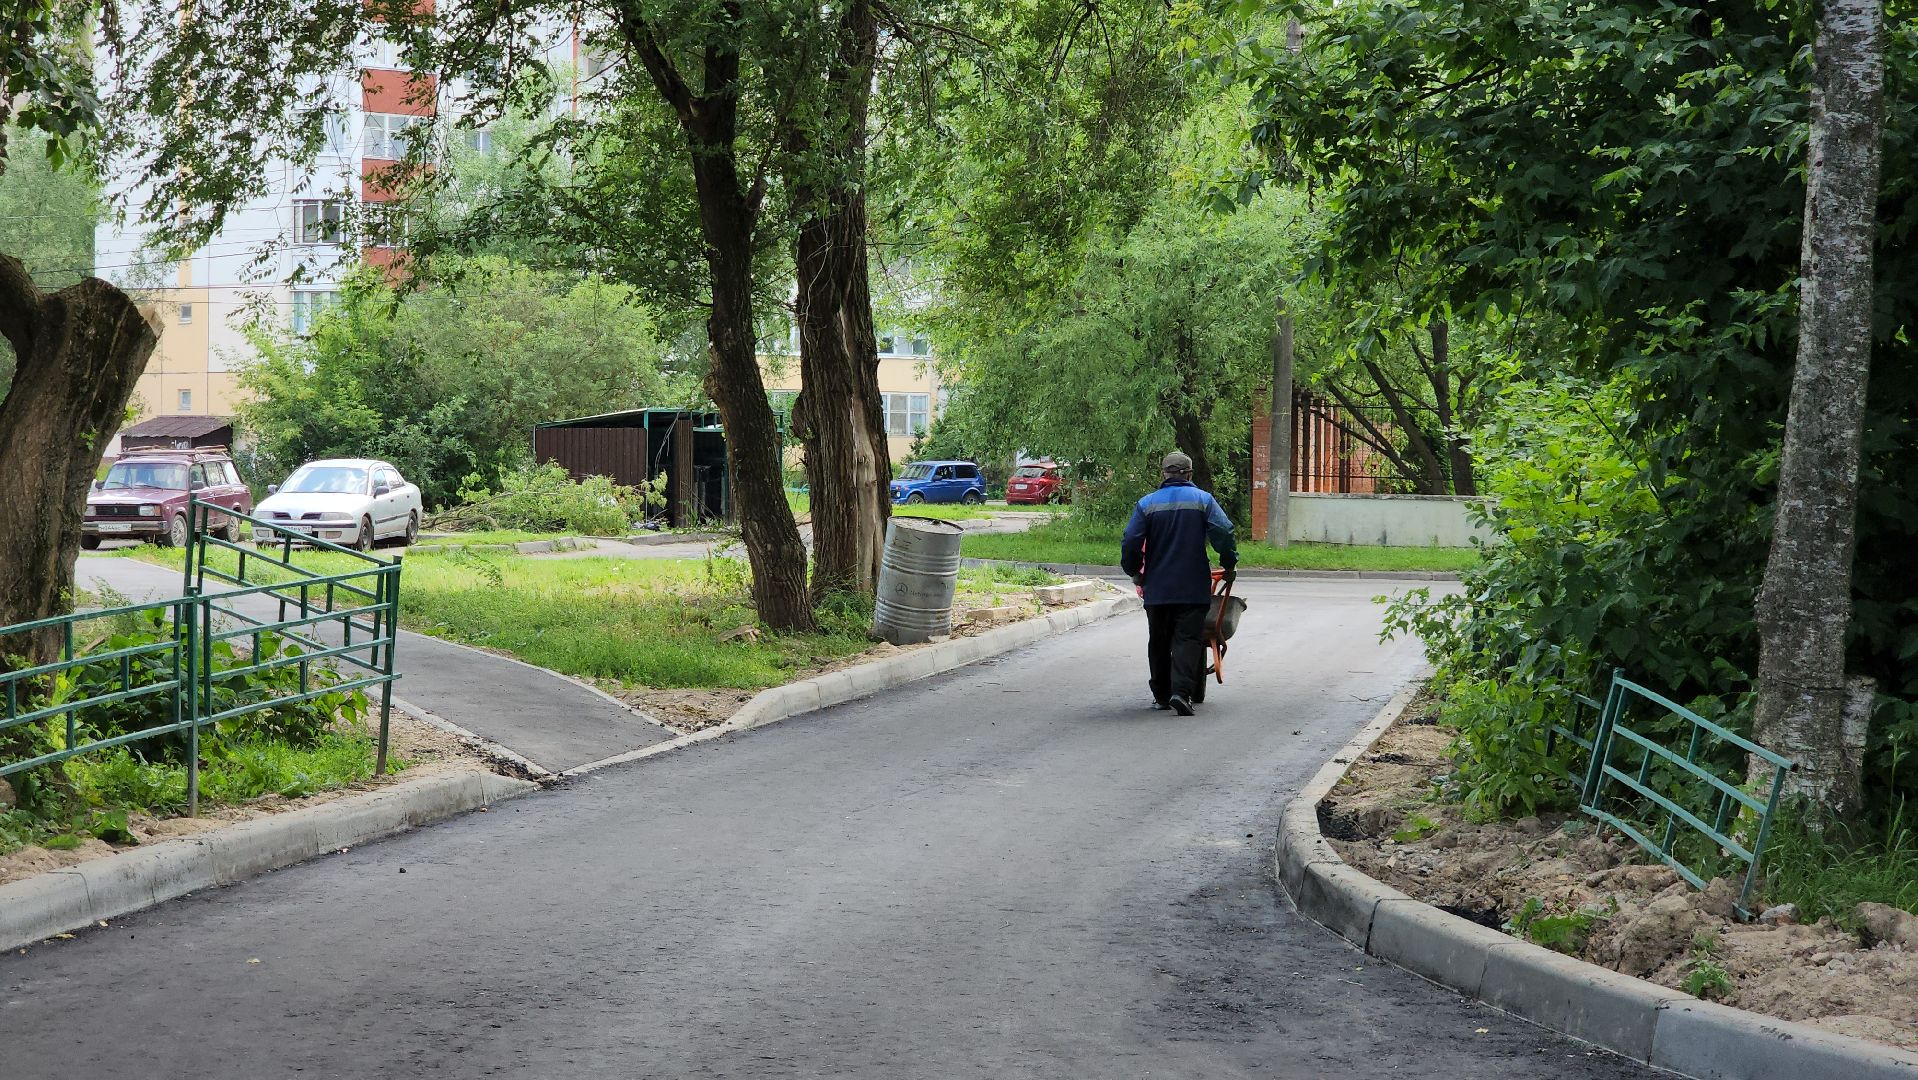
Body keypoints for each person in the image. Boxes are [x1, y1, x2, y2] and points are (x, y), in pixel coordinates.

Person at [1119, 452, 1238, 716]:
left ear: (1164, 474)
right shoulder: (1203, 501)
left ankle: (1161, 695)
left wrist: (1135, 572)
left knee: (1158, 640)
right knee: (1187, 639)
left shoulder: (1147, 504)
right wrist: (1229, 563)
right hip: (1192, 587)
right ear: (1189, 474)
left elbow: (1130, 540)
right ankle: (1180, 693)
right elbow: (1224, 531)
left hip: (1157, 588)